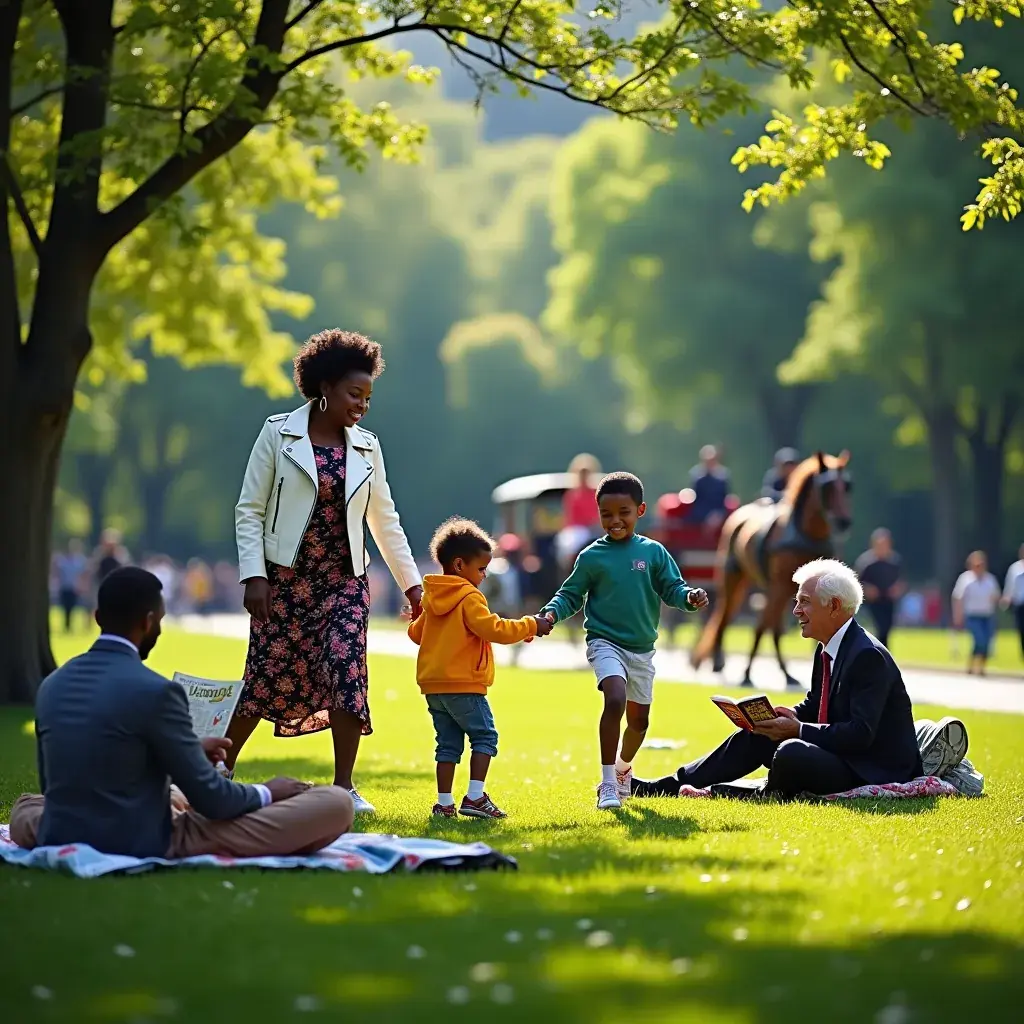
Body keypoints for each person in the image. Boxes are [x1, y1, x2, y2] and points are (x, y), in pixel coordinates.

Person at [9, 567, 352, 857]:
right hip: (144, 838)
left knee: (28, 805)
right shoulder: (157, 691)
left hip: (60, 828)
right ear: (148, 622)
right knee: (336, 805)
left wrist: (182, 753)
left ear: (98, 618)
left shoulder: (51, 686)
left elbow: (66, 775)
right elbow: (215, 802)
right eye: (158, 621)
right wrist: (268, 791)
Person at [228, 329, 422, 816]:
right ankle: (215, 772)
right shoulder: (278, 433)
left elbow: (384, 519)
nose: (363, 405)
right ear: (326, 387)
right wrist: (254, 575)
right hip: (284, 582)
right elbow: (249, 509)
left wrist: (413, 585)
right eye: (355, 394)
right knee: (262, 678)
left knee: (346, 669)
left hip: (344, 582)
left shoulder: (367, 447)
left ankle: (343, 787)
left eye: (369, 397)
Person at [631, 559, 923, 799]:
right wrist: (786, 715)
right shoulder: (829, 645)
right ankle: (668, 786)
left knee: (791, 752)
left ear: (834, 606)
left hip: (871, 767)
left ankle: (754, 793)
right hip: (842, 754)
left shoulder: (866, 656)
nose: (796, 611)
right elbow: (816, 704)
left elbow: (860, 734)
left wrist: (797, 730)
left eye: (805, 602)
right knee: (758, 733)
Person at [540, 472, 709, 810]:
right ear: (598, 513)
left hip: (642, 650)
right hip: (605, 642)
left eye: (623, 513)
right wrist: (549, 615)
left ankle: (622, 770)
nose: (615, 521)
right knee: (614, 698)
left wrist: (689, 596)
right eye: (606, 514)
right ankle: (606, 784)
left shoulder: (654, 552)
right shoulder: (591, 556)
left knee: (639, 723)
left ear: (640, 510)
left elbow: (672, 588)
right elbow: (570, 595)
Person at [409, 519, 552, 819]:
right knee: (485, 737)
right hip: (464, 683)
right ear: (460, 564)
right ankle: (475, 797)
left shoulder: (432, 596)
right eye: (481, 568)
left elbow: (416, 634)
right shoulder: (469, 596)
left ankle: (444, 803)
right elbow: (493, 629)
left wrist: (416, 617)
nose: (484, 575)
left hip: (434, 687)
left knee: (446, 744)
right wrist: (530, 624)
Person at [854, 528, 905, 648]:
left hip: (888, 601)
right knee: (878, 628)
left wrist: (897, 589)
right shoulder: (866, 563)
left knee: (886, 629)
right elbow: (856, 582)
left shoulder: (895, 561)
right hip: (870, 603)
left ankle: (883, 654)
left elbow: (901, 581)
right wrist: (867, 589)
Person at [952, 551, 1001, 675]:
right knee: (979, 639)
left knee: (987, 642)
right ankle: (972, 663)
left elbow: (996, 596)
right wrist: (957, 615)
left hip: (987, 614)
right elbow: (958, 598)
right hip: (972, 614)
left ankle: (981, 667)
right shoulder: (966, 579)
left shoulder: (990, 579)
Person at [687, 445, 730, 526]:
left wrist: (717, 514)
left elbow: (724, 497)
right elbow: (696, 497)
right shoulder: (697, 476)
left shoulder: (723, 477)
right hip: (700, 512)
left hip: (719, 511)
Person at [53, 538, 88, 633]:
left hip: (74, 588)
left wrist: (82, 586)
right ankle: (66, 625)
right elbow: (58, 573)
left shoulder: (80, 561)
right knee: (65, 607)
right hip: (65, 587)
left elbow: (83, 574)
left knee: (72, 607)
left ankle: (70, 626)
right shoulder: (63, 560)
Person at [1002, 543, 1024, 659]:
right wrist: (1006, 599)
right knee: (1022, 630)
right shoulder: (1015, 568)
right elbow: (1010, 586)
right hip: (1020, 604)